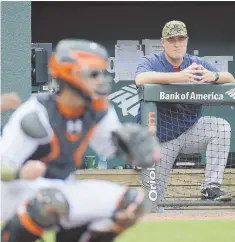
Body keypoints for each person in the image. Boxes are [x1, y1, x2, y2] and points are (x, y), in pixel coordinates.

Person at [1, 39, 160, 242]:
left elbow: (111, 148)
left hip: (62, 187)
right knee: (51, 202)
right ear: (70, 74)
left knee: (133, 202)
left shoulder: (98, 108)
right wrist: (20, 171)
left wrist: (136, 147)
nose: (100, 79)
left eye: (101, 73)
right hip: (16, 191)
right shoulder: (35, 113)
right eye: (94, 74)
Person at [135, 20, 235, 212]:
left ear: (186, 41)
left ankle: (210, 187)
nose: (177, 43)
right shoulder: (152, 61)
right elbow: (140, 79)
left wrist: (213, 77)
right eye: (171, 39)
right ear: (163, 43)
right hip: (161, 140)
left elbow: (230, 79)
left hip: (190, 132)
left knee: (221, 127)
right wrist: (179, 77)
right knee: (155, 202)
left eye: (181, 39)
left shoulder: (196, 63)